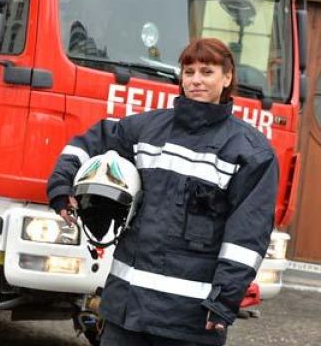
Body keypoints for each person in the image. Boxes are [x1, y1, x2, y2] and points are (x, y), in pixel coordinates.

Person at [47, 37, 278, 346]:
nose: (195, 80)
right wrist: (62, 185)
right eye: (189, 72)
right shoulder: (147, 130)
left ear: (227, 78)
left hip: (188, 323)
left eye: (207, 72)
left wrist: (224, 302)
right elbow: (90, 142)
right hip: (125, 314)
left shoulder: (250, 153)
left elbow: (247, 238)